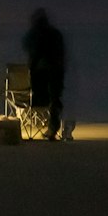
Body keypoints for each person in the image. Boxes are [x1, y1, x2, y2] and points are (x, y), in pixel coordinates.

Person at [23, 8, 65, 140]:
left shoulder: (36, 36)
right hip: (57, 72)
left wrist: (32, 65)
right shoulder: (55, 34)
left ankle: (51, 128)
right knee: (54, 100)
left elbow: (32, 50)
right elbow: (61, 53)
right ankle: (53, 128)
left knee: (47, 98)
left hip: (42, 77)